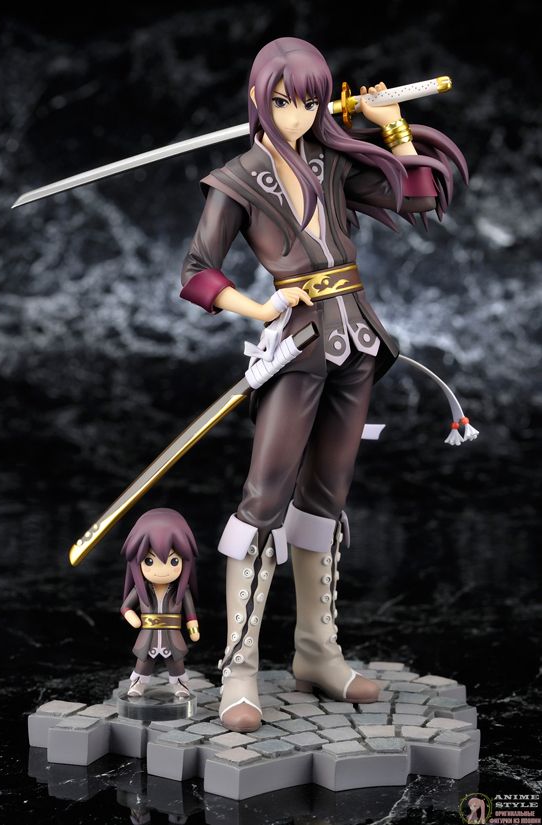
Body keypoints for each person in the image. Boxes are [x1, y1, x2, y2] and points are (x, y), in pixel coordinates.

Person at [180, 37, 468, 732]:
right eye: (284, 102)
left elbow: (419, 196)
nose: (298, 116)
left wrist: (392, 126)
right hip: (296, 347)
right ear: (259, 98)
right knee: (263, 500)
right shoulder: (238, 178)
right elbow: (196, 272)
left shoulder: (331, 162)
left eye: (310, 103)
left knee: (326, 499)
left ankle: (316, 651)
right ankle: (240, 668)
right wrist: (261, 308)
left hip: (358, 342)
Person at [120, 508, 200, 698]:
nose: (161, 570)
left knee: (176, 663)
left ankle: (180, 685)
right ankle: (138, 684)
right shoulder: (142, 589)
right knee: (143, 662)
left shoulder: (182, 590)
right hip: (148, 634)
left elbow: (190, 613)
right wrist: (132, 617)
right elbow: (125, 606)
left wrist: (193, 628)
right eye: (149, 561)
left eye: (173, 561)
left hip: (172, 635)